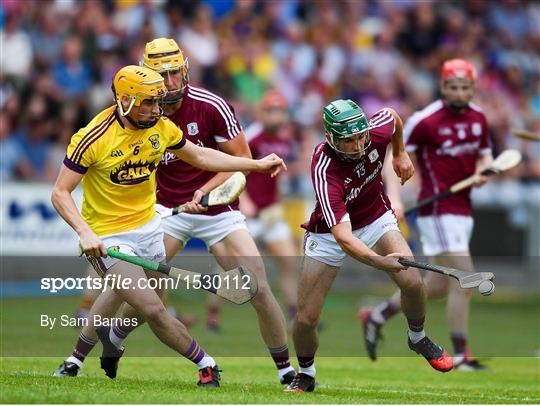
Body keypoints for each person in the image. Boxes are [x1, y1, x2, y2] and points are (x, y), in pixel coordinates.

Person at [59, 38, 296, 386]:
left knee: (257, 287)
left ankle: (286, 371)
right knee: (131, 289)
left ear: (184, 70)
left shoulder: (210, 106)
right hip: (164, 211)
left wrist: (213, 186)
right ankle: (81, 354)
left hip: (217, 207)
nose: (169, 85)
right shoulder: (133, 115)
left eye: (174, 74)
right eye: (161, 75)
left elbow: (224, 161)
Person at [284, 99, 453, 393]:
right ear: (331, 139)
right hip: (330, 234)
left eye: (361, 136)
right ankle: (307, 373)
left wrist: (400, 154)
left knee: (412, 282)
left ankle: (417, 337)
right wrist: (380, 262)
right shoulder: (325, 169)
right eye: (348, 140)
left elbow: (394, 117)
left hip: (375, 216)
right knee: (306, 318)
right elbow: (343, 238)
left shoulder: (376, 130)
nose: (358, 145)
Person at [360, 59, 493, 371]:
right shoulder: (425, 120)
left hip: (462, 209)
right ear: (443, 87)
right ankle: (461, 353)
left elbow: (485, 156)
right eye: (453, 86)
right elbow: (394, 156)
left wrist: (484, 171)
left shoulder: (479, 118)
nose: (459, 92)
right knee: (466, 276)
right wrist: (395, 197)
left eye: (465, 87)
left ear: (472, 88)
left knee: (435, 286)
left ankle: (376, 315)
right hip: (437, 208)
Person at [206, 89, 298, 327]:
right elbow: (235, 165)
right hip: (248, 212)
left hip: (270, 212)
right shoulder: (252, 136)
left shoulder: (284, 139)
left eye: (279, 111)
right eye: (270, 111)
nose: (275, 116)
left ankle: (293, 313)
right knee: (229, 265)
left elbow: (275, 177)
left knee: (288, 261)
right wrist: (244, 200)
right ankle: (213, 313)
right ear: (262, 113)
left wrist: (277, 203)